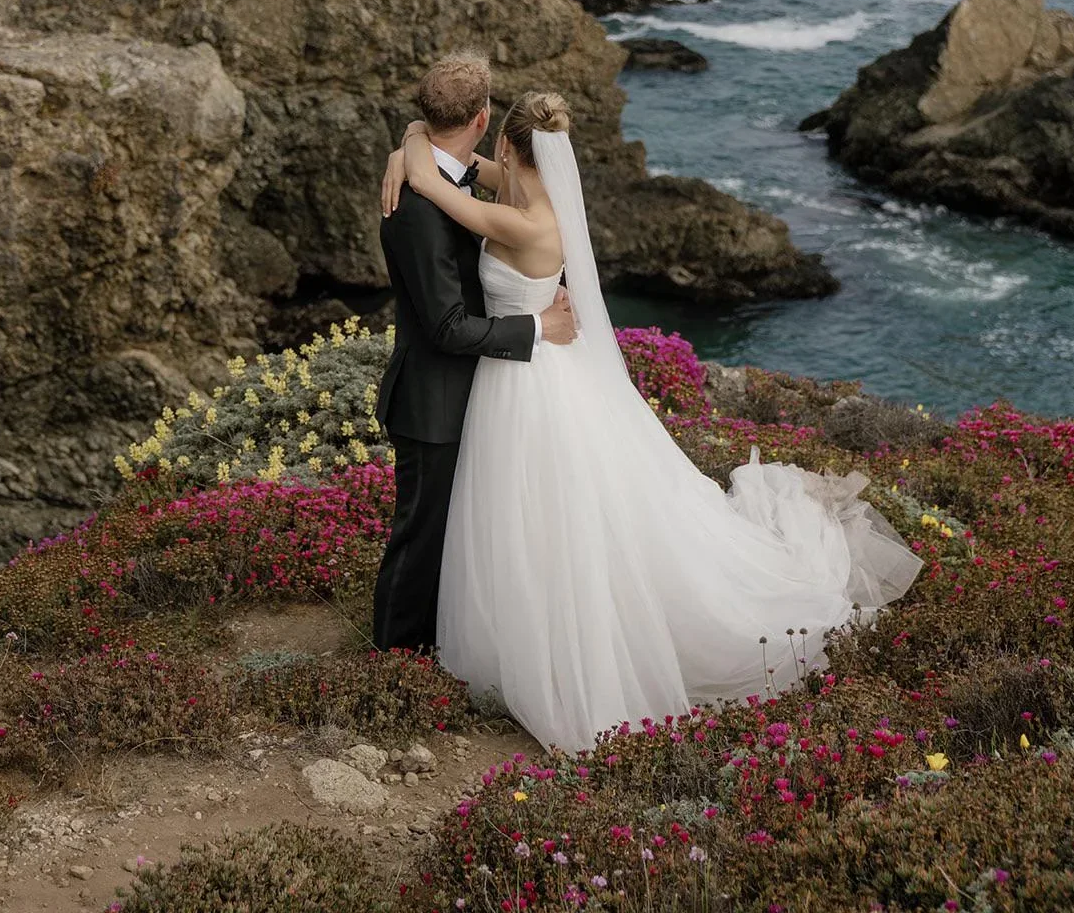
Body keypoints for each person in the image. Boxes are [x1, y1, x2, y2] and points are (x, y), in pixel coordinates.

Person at [382, 88, 924, 754]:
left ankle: (543, 643)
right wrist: (415, 134)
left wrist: (413, 141)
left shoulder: (524, 223)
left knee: (536, 512)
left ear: (503, 145)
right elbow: (452, 174)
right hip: (530, 369)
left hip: (529, 379)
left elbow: (432, 186)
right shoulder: (526, 195)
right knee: (532, 513)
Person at [371, 53, 575, 655]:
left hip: (488, 391)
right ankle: (391, 660)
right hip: (434, 397)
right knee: (421, 534)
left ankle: (459, 643)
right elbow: (446, 327)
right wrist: (537, 326)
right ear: (482, 119)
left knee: (482, 530)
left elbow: (443, 175)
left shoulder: (471, 180)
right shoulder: (416, 208)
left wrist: (409, 138)